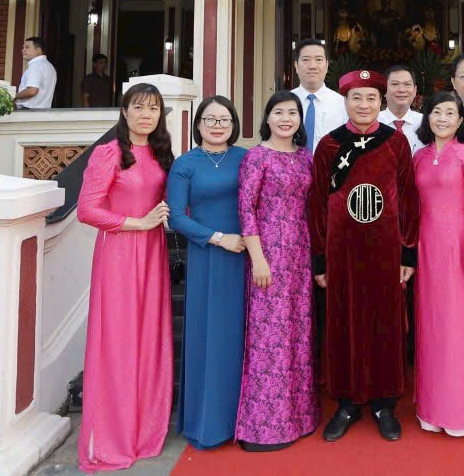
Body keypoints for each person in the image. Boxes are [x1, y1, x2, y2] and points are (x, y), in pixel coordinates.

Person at [310, 69, 420, 443]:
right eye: (356, 98)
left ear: (380, 102)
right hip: (341, 254)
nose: (363, 104)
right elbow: (317, 205)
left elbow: (408, 199)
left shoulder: (395, 143)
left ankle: (384, 403)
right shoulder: (329, 146)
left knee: (385, 325)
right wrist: (320, 259)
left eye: (371, 98)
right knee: (343, 325)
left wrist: (408, 253)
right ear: (345, 102)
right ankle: (347, 402)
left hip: (385, 252)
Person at [76, 83, 174, 472]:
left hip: (153, 255)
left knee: (149, 340)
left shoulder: (161, 153)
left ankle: (143, 431)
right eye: (139, 107)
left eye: (153, 109)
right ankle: (112, 437)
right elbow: (87, 210)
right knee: (118, 342)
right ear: (124, 111)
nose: (146, 115)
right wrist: (139, 223)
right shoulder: (109, 153)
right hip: (119, 254)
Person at [235, 92, 321, 452]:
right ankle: (264, 427)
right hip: (268, 254)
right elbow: (246, 209)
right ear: (267, 118)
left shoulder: (305, 157)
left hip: (300, 255)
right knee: (268, 338)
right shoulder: (257, 157)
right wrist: (258, 258)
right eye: (279, 112)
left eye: (292, 113)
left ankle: (299, 418)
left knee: (298, 334)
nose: (286, 119)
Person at [167, 96, 248, 450]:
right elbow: (176, 217)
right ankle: (210, 422)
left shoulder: (246, 158)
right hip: (208, 258)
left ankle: (246, 419)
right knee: (211, 337)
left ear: (234, 125)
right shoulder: (185, 164)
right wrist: (218, 238)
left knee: (243, 337)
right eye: (210, 119)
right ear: (198, 124)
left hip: (247, 255)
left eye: (224, 120)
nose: (217, 126)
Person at [412, 91, 464, 437]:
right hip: (427, 249)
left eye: (450, 113)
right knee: (430, 326)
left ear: (460, 120)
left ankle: (461, 411)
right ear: (427, 117)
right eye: (436, 112)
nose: (442, 119)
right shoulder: (419, 156)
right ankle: (431, 408)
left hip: (459, 250)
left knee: (458, 327)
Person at [290, 38, 348, 152]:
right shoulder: (283, 102)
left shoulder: (342, 104)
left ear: (327, 65)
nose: (312, 66)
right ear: (296, 66)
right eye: (306, 60)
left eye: (318, 60)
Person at [379, 64, 424, 153]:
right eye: (395, 84)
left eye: (407, 84)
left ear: (415, 90)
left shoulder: (426, 123)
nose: (401, 90)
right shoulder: (372, 123)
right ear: (384, 89)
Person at [15, 36, 57, 109]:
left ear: (38, 50)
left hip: (29, 111)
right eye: (23, 47)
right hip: (43, 111)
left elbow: (32, 91)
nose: (23, 50)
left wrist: (13, 96)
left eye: (27, 47)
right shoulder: (49, 66)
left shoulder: (36, 66)